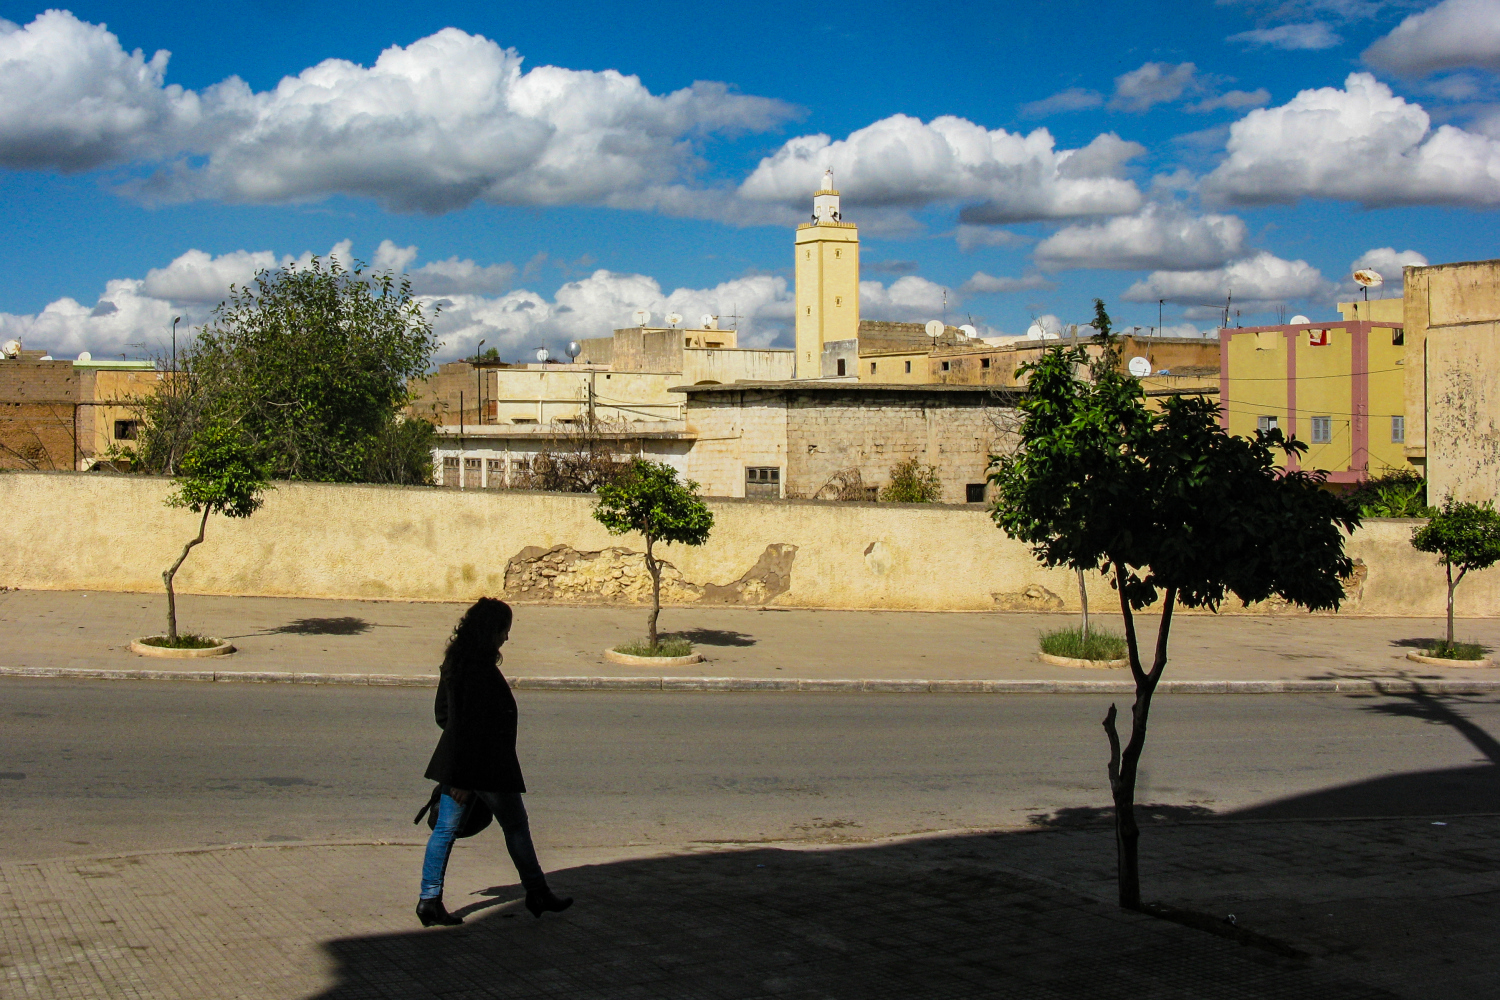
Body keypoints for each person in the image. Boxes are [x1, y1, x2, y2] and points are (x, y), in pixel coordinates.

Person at [416, 597, 573, 926]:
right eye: (504, 630)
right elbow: (465, 723)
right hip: (482, 768)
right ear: (491, 630)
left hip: (467, 764)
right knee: (515, 826)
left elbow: (444, 716)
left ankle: (429, 900)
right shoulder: (476, 668)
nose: (506, 638)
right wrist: (464, 777)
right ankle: (537, 891)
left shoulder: (459, 660)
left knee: (445, 830)